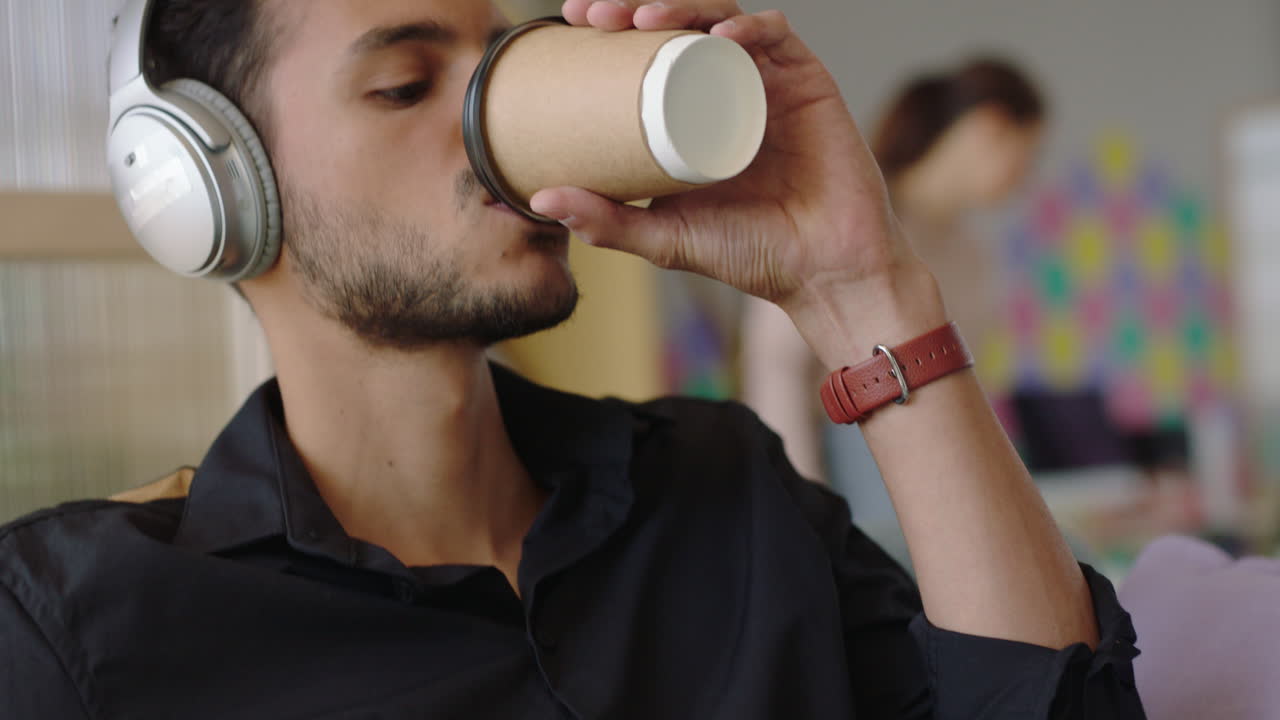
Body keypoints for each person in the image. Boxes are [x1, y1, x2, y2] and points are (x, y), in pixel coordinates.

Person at [0, 2, 1143, 718]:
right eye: (403, 85)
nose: (490, 137)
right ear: (210, 187)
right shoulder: (82, 629)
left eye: (503, 69)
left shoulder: (725, 488)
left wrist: (861, 288)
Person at [742, 58, 1046, 484]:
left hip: (938, 469)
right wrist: (802, 495)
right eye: (1027, 153)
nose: (1027, 176)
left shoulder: (972, 256)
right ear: (989, 127)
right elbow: (777, 366)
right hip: (837, 467)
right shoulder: (840, 220)